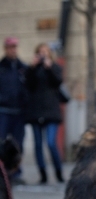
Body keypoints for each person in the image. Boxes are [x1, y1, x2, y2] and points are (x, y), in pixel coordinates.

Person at [24, 44, 65, 184]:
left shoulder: (55, 67)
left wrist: (49, 68)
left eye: (45, 52)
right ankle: (43, 175)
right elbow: (28, 84)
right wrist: (32, 67)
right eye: (40, 53)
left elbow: (58, 82)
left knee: (51, 142)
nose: (43, 55)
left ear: (49, 54)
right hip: (35, 111)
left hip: (51, 111)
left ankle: (59, 173)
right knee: (38, 145)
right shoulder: (32, 69)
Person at [0, 37, 27, 182]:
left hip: (19, 112)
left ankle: (16, 173)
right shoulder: (1, 67)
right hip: (3, 111)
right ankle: (3, 173)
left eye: (15, 47)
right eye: (10, 47)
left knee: (18, 144)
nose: (13, 50)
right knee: (2, 143)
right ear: (6, 49)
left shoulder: (23, 68)